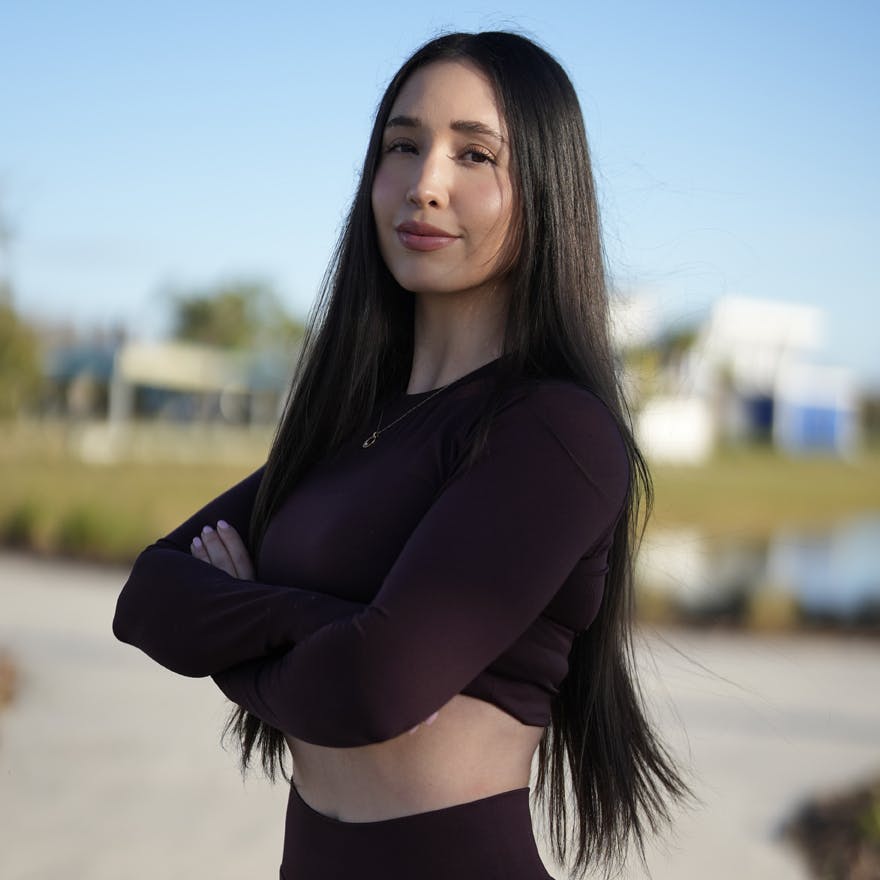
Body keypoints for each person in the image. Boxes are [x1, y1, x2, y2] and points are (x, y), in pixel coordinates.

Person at [113, 30, 689, 880]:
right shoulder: (350, 424)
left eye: (475, 154)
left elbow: (372, 688)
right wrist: (320, 632)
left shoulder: (552, 431)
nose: (424, 184)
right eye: (403, 145)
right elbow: (149, 599)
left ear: (545, 193)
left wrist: (244, 620)